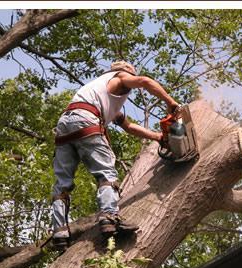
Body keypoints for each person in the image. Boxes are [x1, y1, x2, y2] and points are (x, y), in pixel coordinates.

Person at [51, 61, 179, 249]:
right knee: (106, 175)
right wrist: (171, 103)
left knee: (62, 185)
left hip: (64, 125)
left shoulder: (100, 93)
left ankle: (59, 233)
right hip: (86, 120)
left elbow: (128, 126)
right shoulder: (119, 77)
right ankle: (110, 217)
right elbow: (144, 81)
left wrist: (158, 137)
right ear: (125, 72)